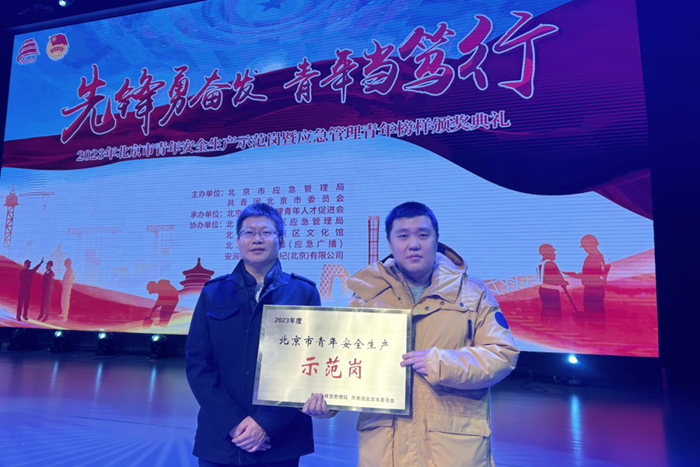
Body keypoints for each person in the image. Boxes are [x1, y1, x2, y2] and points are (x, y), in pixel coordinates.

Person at [304, 202, 519, 467]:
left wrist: (441, 363)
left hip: (453, 449)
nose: (413, 244)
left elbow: (502, 354)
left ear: (437, 240)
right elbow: (346, 363)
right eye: (403, 236)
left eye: (423, 235)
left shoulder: (473, 293)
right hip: (384, 448)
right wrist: (327, 401)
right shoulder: (365, 298)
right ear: (390, 242)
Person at [186, 203, 321, 467]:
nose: (257, 239)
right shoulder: (213, 293)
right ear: (238, 241)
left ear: (281, 240)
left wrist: (266, 424)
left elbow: (308, 365)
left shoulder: (303, 293)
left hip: (279, 439)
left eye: (265, 232)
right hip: (222, 438)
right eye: (248, 232)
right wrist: (233, 424)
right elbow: (198, 364)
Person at [563, 234, 610, 328]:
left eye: (585, 246)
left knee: (593, 315)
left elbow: (589, 275)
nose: (585, 249)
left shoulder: (593, 258)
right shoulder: (599, 257)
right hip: (596, 290)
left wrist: (573, 275)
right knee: (596, 315)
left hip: (592, 290)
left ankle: (596, 331)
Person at [537, 243, 568, 324]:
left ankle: (544, 325)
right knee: (555, 312)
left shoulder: (541, 263)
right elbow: (554, 278)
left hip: (543, 289)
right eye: (552, 252)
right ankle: (555, 327)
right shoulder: (550, 263)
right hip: (551, 290)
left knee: (546, 310)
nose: (554, 254)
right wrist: (563, 282)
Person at [61, 258, 75, 323]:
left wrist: (67, 286)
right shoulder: (67, 270)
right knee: (63, 300)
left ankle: (65, 317)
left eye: (66, 264)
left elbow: (70, 280)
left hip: (67, 288)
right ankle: (63, 313)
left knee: (66, 302)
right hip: (65, 288)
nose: (65, 265)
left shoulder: (70, 271)